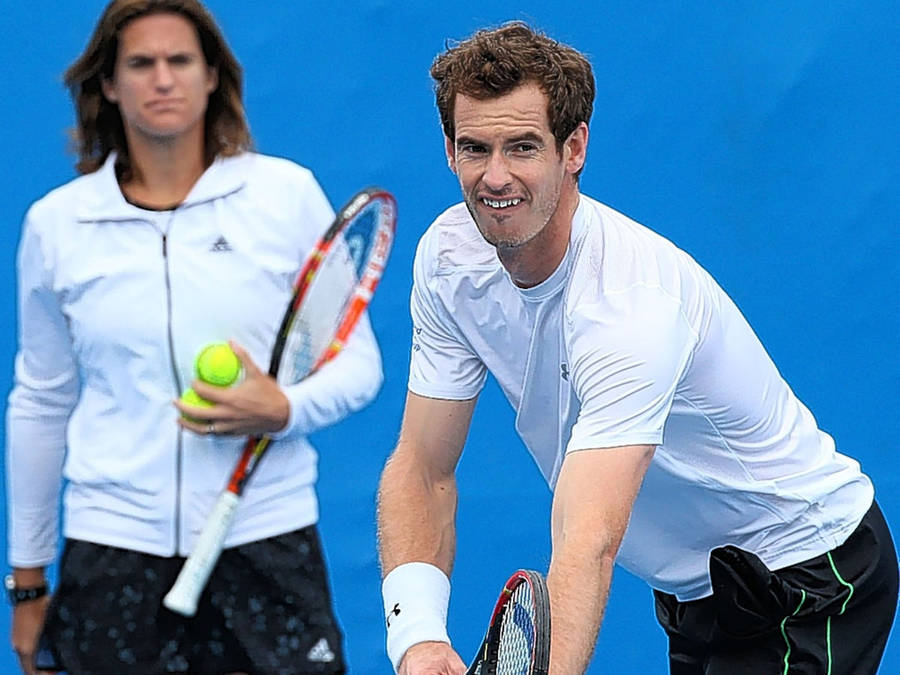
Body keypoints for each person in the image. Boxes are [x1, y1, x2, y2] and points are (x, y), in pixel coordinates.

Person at [376, 21, 898, 675]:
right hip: (695, 591)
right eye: (475, 147)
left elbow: (587, 536)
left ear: (574, 149)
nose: (496, 175)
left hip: (807, 573)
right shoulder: (449, 260)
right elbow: (423, 467)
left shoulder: (629, 307)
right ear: (449, 151)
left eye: (524, 147)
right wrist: (418, 638)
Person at [6, 1, 382, 673]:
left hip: (267, 541)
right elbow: (40, 401)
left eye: (180, 60)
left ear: (212, 77)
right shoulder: (57, 225)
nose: (162, 79)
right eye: (140, 63)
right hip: (112, 550)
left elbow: (358, 365)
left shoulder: (285, 197)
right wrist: (27, 579)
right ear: (109, 84)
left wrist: (283, 409)